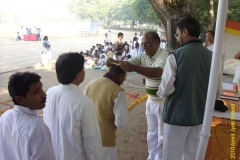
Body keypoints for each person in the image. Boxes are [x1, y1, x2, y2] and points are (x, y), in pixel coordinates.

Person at [157, 15, 222, 160]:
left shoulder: (176, 55)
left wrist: (158, 91)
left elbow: (166, 89)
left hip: (177, 116)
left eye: (177, 33)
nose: (178, 37)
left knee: (171, 156)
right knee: (192, 156)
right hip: (200, 116)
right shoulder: (212, 56)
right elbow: (217, 91)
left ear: (185, 32)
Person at [107, 31, 168, 160]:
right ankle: (152, 156)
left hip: (163, 102)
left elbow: (158, 72)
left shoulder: (165, 55)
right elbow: (127, 64)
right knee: (152, 132)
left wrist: (134, 67)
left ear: (157, 43)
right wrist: (113, 61)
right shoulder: (142, 56)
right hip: (151, 101)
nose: (144, 46)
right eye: (142, 44)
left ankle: (160, 157)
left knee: (162, 134)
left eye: (147, 44)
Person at [43, 53, 102, 160]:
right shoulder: (84, 103)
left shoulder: (50, 93)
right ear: (78, 76)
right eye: (83, 68)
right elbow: (92, 143)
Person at [0, 72, 56, 160]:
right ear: (20, 100)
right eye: (36, 92)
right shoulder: (37, 128)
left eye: (41, 88)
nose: (44, 94)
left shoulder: (5, 117)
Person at [84, 64, 128, 160]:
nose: (123, 80)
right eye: (124, 77)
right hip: (106, 140)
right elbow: (120, 123)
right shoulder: (118, 91)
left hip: (88, 136)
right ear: (120, 76)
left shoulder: (90, 84)